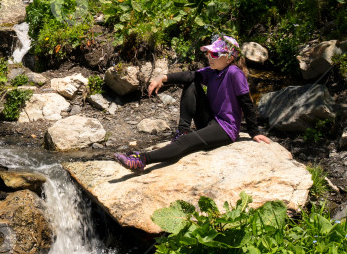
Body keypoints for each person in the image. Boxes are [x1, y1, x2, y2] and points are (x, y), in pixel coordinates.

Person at [113, 35, 271, 172]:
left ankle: (142, 159)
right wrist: (163, 77)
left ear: (229, 58)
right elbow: (189, 75)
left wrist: (254, 132)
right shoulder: (213, 71)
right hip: (210, 120)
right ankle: (183, 130)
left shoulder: (234, 73)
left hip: (225, 128)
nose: (210, 57)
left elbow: (247, 104)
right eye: (209, 53)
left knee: (185, 144)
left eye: (215, 54)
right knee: (192, 84)